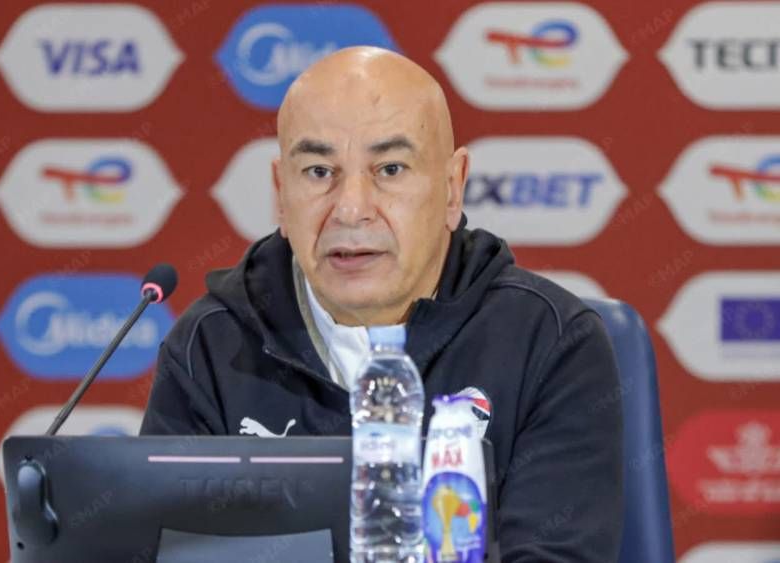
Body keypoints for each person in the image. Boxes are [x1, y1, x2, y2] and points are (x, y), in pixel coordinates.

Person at [141, 47, 623, 561]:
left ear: (452, 188)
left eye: (390, 169)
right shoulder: (211, 346)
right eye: (318, 172)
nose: (351, 209)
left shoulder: (548, 341)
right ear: (281, 194)